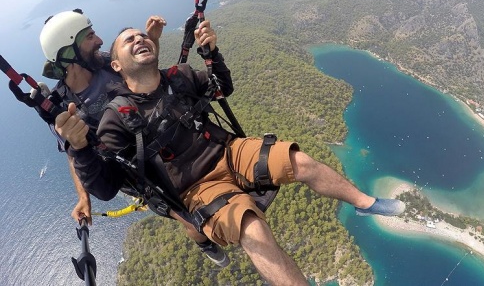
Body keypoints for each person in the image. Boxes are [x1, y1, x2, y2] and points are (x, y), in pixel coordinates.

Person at [57, 21, 405, 285]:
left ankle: (364, 203)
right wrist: (81, 149)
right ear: (116, 66)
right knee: (252, 229)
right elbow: (105, 188)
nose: (139, 39)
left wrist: (210, 53)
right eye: (128, 40)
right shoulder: (115, 119)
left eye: (141, 36)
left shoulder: (180, 76)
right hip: (194, 188)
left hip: (228, 151)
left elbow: (223, 88)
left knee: (299, 161)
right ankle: (213, 245)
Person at [38, 9, 229, 267]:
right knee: (190, 218)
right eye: (89, 36)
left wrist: (153, 41)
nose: (100, 42)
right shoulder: (64, 106)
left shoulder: (106, 64)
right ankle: (204, 242)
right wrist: (84, 196)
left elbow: (150, 81)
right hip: (134, 169)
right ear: (69, 52)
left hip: (158, 136)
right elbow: (74, 153)